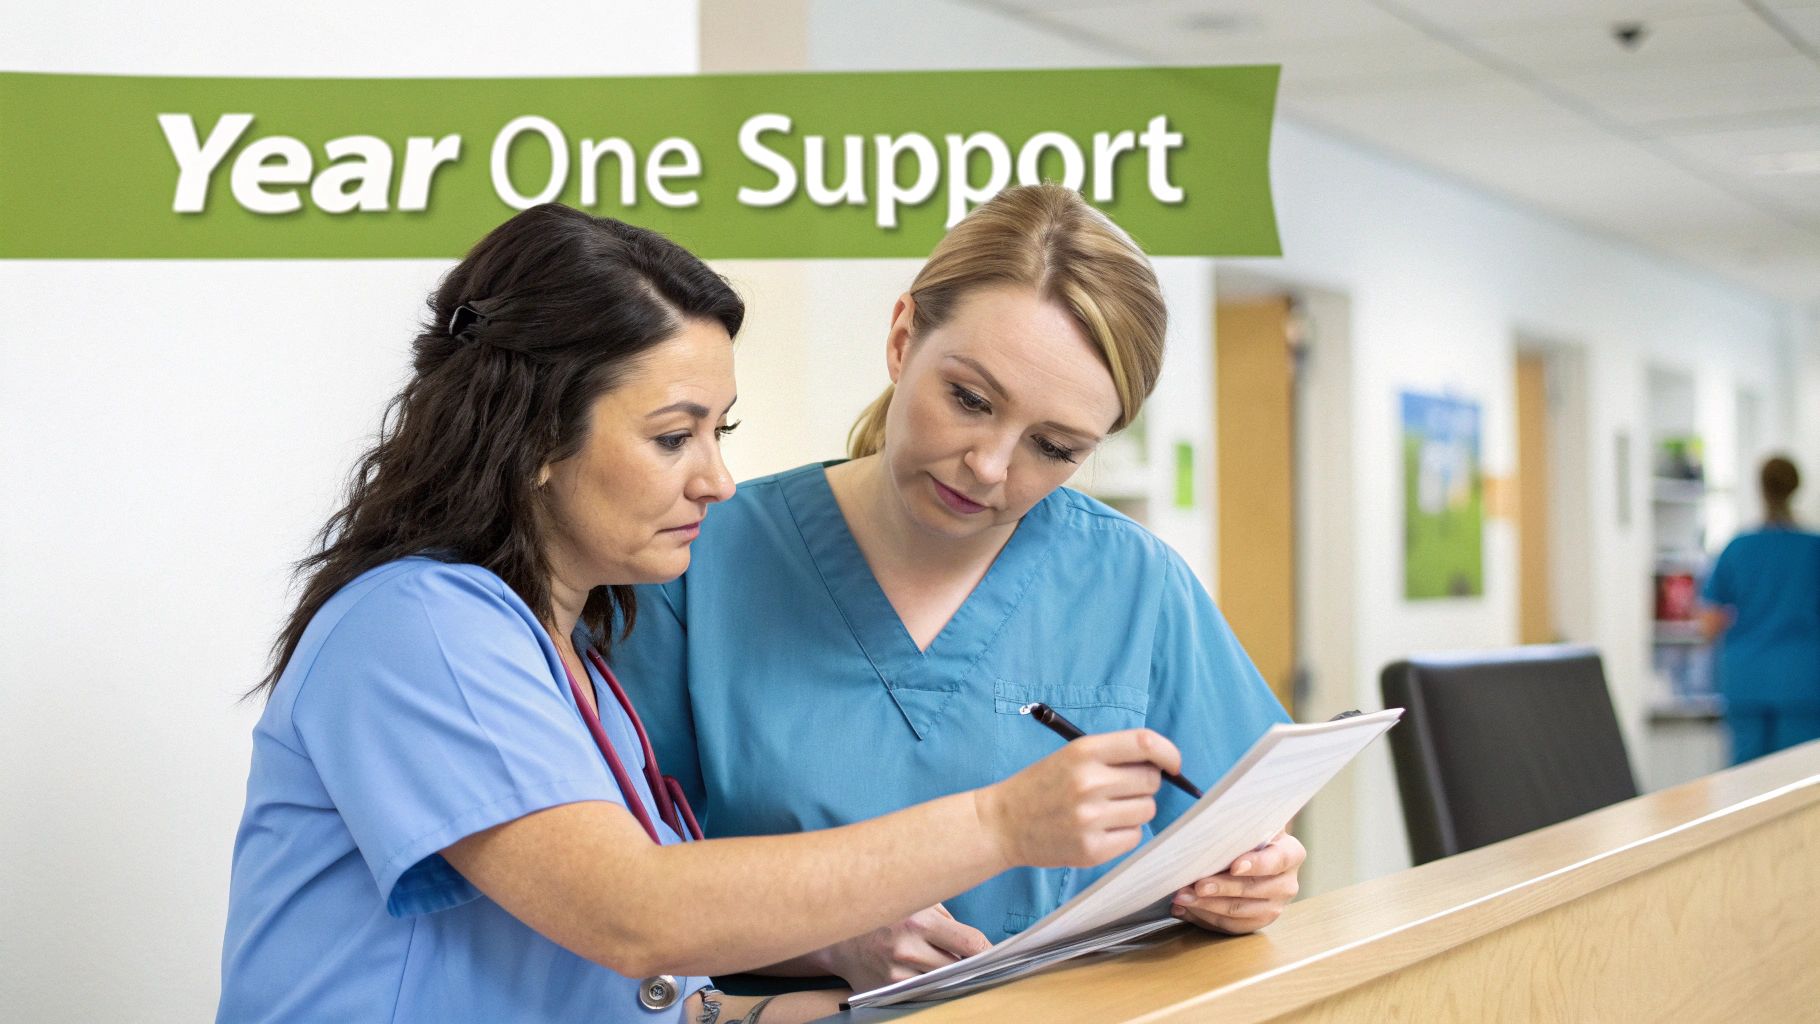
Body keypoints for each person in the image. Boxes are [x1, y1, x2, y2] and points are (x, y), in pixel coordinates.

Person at [216, 203, 1187, 1024]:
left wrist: (780, 1000)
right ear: (536, 432)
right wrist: (1001, 821)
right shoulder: (417, 628)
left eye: (718, 433)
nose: (717, 481)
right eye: (673, 436)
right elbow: (632, 911)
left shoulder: (577, 664)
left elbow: (632, 982)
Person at [611, 184, 1302, 992]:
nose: (991, 466)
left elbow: (1235, 827)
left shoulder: (1135, 584)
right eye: (970, 400)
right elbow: (618, 898)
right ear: (904, 339)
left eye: (1053, 446)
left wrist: (1253, 881)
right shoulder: (694, 565)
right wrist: (825, 944)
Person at [1701, 455, 1820, 764]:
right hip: (1803, 679)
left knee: (1746, 784)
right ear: (1796, 488)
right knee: (1799, 779)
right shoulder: (1813, 548)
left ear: (1760, 489)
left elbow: (1709, 624)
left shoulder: (1738, 547)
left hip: (1746, 678)